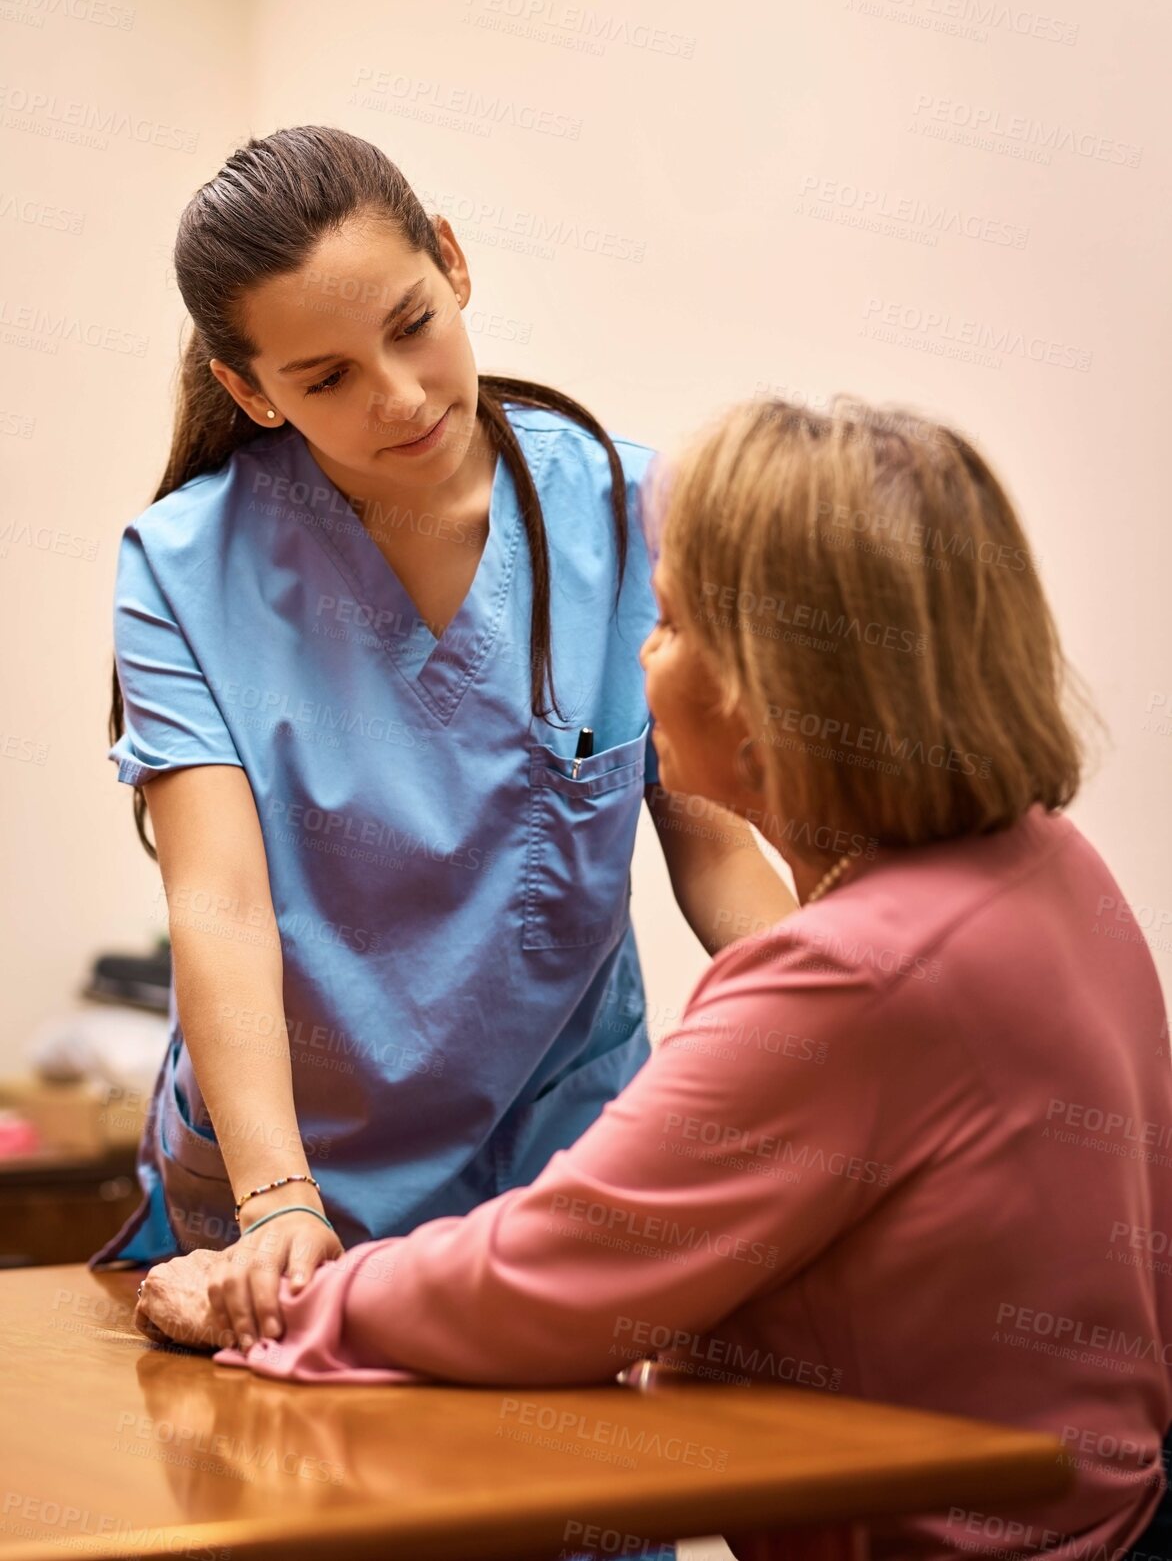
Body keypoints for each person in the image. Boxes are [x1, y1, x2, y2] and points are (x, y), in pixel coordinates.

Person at [138, 395, 1172, 1561]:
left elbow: (547, 1278)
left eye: (669, 624)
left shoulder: (853, 974)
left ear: (769, 686)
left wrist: (261, 1300)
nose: (638, 656)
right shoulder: (1046, 864)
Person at [95, 126, 795, 1370]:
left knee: (571, 1510)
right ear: (250, 391)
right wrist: (276, 1201)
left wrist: (839, 1043)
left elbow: (714, 840)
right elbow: (220, 905)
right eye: (325, 379)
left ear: (453, 263)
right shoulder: (183, 572)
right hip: (293, 1181)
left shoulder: (631, 512)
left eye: (410, 324)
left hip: (558, 1170)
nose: (400, 395)